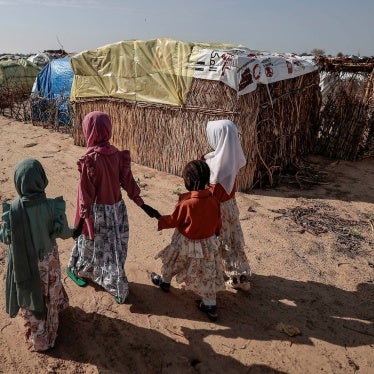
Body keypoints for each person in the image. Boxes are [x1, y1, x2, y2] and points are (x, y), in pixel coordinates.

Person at [67, 111, 159, 304]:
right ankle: (113, 281)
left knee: (89, 241)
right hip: (116, 211)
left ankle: (81, 269)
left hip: (96, 212)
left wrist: (80, 222)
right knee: (113, 247)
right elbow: (128, 182)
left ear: (88, 131)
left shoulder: (90, 160)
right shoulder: (117, 155)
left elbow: (86, 195)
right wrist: (143, 204)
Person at [1, 158, 79, 352]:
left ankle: (40, 338)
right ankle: (51, 327)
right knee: (50, 294)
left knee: (30, 297)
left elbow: (6, 237)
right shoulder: (52, 207)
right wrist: (75, 231)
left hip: (23, 263)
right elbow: (63, 232)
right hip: (48, 261)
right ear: (42, 180)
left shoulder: (13, 211)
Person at [151, 160, 225, 321]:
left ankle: (164, 281)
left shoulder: (186, 203)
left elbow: (174, 220)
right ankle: (210, 304)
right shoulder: (214, 201)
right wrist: (216, 234)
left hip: (185, 242)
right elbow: (218, 221)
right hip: (207, 243)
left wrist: (160, 218)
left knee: (173, 261)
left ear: (188, 181)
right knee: (207, 274)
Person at [203, 119, 252, 291]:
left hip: (216, 209)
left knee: (215, 240)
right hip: (230, 207)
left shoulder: (214, 166)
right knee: (231, 241)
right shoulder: (232, 158)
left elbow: (211, 192)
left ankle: (215, 275)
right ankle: (238, 274)